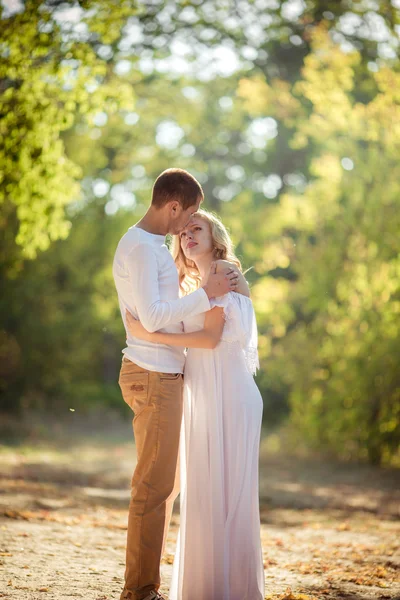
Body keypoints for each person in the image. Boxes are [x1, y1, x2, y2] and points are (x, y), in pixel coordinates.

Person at [112, 169, 240, 600]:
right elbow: (151, 316)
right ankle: (141, 589)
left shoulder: (147, 245)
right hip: (154, 374)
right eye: (188, 214)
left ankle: (144, 585)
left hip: (157, 372)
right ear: (172, 206)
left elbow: (157, 315)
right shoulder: (145, 250)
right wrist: (207, 293)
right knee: (153, 488)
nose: (187, 224)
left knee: (160, 486)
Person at [126, 209, 265, 600]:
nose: (187, 235)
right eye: (183, 231)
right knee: (204, 489)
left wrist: (147, 334)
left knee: (223, 491)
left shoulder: (224, 272)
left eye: (196, 228)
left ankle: (229, 588)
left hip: (229, 393)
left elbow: (208, 340)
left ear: (215, 235)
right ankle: (209, 587)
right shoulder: (197, 284)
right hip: (205, 391)